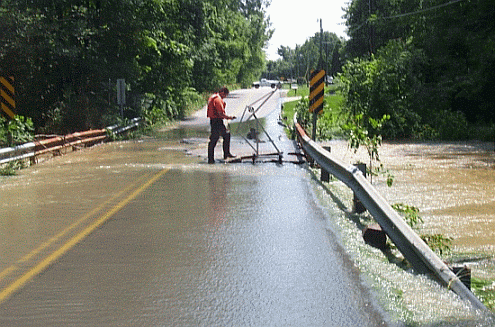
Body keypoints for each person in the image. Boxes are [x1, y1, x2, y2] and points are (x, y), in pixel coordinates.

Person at [207, 87, 236, 163]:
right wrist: (229, 117)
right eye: (225, 95)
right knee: (222, 137)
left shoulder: (214, 97)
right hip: (217, 122)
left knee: (217, 138)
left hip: (214, 121)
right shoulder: (218, 99)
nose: (225, 97)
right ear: (222, 92)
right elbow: (221, 114)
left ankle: (212, 158)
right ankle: (223, 156)